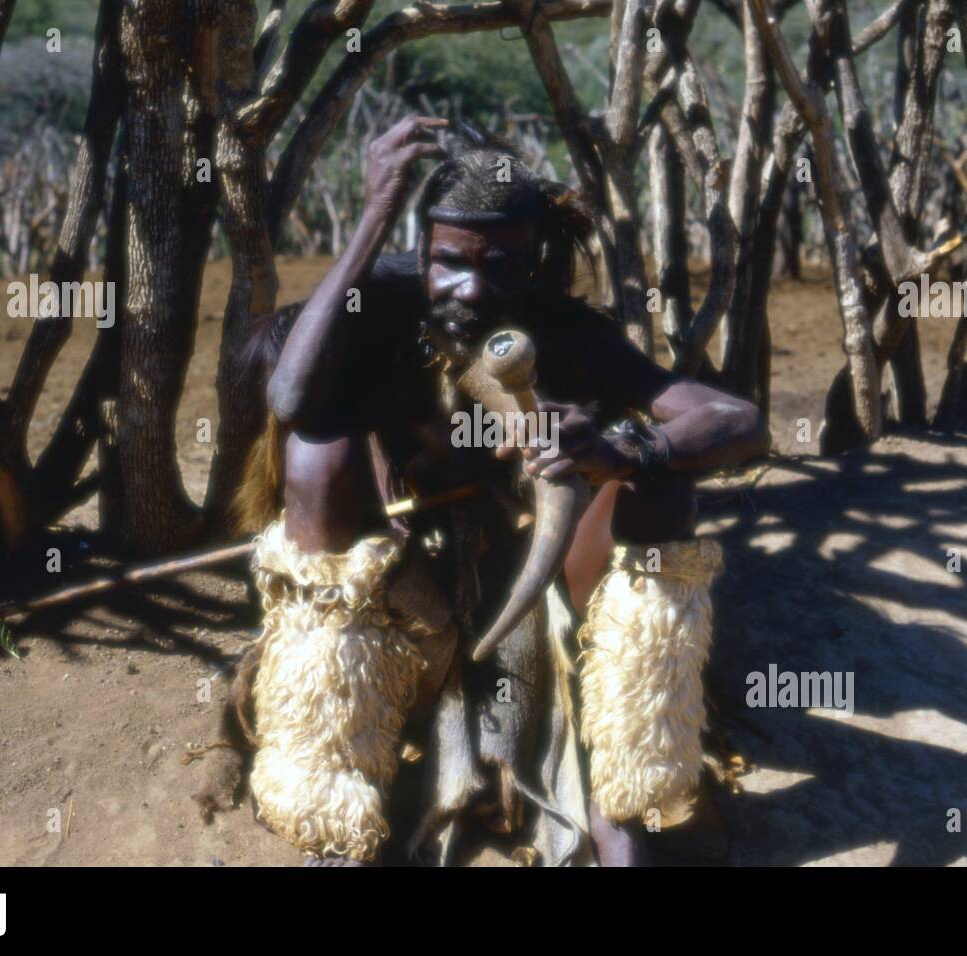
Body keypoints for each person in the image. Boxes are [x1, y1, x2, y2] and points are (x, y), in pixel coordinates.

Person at [217, 117, 769, 866]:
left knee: (662, 492)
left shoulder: (559, 329)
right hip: (396, 589)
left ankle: (621, 794)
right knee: (317, 457)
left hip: (536, 589)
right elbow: (290, 398)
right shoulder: (374, 303)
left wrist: (629, 447)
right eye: (448, 263)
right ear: (421, 249)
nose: (470, 290)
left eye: (500, 268)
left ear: (532, 265)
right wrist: (376, 214)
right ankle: (332, 784)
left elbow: (737, 420)